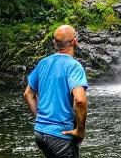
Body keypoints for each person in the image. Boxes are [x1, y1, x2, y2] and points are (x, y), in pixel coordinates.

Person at [24, 25, 88, 158]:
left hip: (40, 133)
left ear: (54, 43)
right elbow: (80, 100)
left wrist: (41, 119)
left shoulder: (43, 63)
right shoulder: (73, 66)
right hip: (60, 136)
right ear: (74, 42)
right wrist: (80, 131)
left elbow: (28, 94)